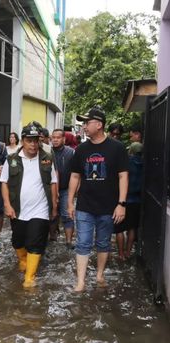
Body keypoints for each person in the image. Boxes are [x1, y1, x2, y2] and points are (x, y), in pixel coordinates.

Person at [67, 106, 129, 292]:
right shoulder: (81, 149)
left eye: (88, 122)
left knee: (103, 242)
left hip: (108, 207)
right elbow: (75, 176)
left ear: (99, 125)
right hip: (85, 205)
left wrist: (121, 204)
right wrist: (70, 202)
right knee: (83, 242)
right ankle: (81, 282)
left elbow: (123, 176)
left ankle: (100, 275)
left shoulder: (117, 148)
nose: (84, 126)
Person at [0, 124, 58, 288]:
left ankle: (29, 279)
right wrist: (7, 205)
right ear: (22, 141)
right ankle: (24, 261)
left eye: (36, 141)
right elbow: (4, 182)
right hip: (18, 209)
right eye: (29, 141)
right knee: (18, 241)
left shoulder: (47, 158)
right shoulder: (11, 160)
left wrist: (54, 205)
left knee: (35, 242)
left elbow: (53, 182)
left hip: (40, 209)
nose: (33, 144)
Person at [114, 142, 143, 260]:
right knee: (132, 228)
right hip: (137, 200)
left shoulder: (127, 162)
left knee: (119, 229)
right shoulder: (144, 163)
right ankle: (128, 252)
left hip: (123, 199)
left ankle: (120, 253)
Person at [51, 129, 75, 248]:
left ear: (64, 139)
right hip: (49, 189)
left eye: (58, 137)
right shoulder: (46, 152)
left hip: (66, 189)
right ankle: (52, 237)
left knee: (67, 215)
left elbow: (77, 173)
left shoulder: (71, 152)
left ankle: (69, 241)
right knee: (50, 214)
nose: (55, 139)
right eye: (53, 137)